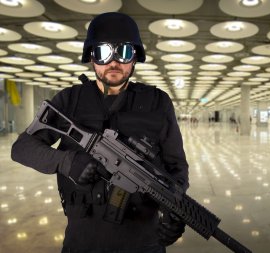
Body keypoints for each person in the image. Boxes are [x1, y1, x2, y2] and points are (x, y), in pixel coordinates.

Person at [11, 12, 189, 253]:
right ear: (92, 57)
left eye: (124, 52)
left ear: (134, 58)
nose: (113, 62)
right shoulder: (69, 101)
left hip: (144, 243)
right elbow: (21, 148)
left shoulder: (158, 103)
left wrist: (174, 212)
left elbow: (177, 168)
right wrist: (66, 161)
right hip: (82, 242)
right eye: (104, 52)